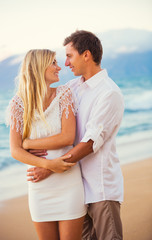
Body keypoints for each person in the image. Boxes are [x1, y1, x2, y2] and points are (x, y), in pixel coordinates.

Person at [26, 30, 124, 240]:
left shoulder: (109, 93)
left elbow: (89, 143)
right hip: (75, 188)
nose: (66, 63)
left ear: (86, 54)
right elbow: (42, 101)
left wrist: (49, 168)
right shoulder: (71, 88)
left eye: (70, 56)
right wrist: (29, 142)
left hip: (100, 189)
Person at [7, 49, 87, 240]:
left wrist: (28, 142)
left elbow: (68, 137)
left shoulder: (64, 93)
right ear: (39, 67)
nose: (59, 67)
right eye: (53, 63)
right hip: (39, 186)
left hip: (69, 185)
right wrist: (49, 165)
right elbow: (15, 151)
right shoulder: (18, 104)